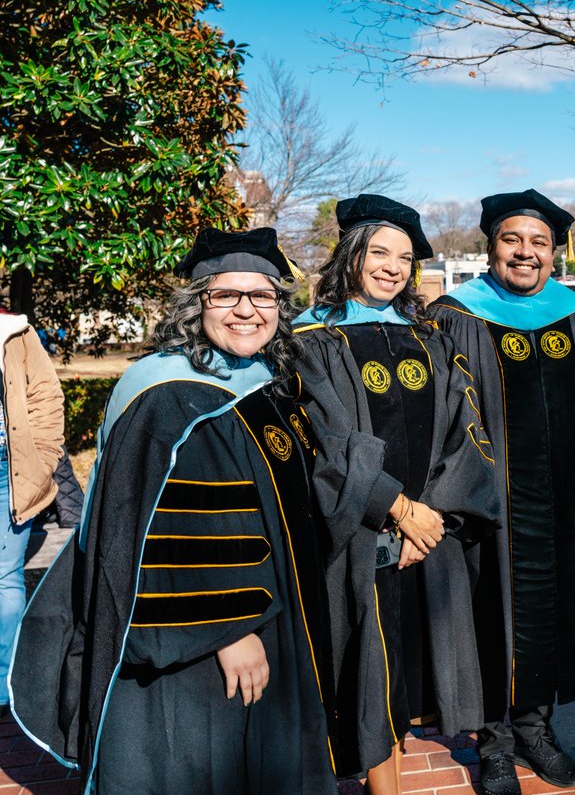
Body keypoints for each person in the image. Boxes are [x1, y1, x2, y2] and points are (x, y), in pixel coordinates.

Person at [11, 227, 340, 793]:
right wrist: (227, 629)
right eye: (226, 295)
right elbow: (155, 533)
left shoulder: (260, 380)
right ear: (196, 305)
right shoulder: (168, 396)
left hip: (271, 616)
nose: (246, 311)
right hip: (201, 647)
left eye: (262, 296)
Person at [293, 193, 502, 792]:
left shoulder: (427, 336)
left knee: (409, 675)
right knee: (372, 680)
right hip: (359, 538)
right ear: (350, 255)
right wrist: (396, 511)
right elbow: (324, 440)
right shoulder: (314, 341)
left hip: (426, 540)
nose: (392, 267)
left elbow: (466, 429)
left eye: (405, 258)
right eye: (378, 252)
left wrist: (431, 518)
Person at [429, 189, 575, 795]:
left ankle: (536, 729)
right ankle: (493, 743)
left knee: (548, 615)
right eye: (512, 240)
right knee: (487, 616)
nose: (526, 253)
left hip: (556, 504)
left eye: (539, 243)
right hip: (485, 507)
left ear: (555, 253)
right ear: (490, 247)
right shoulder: (457, 316)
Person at [0, 310, 65, 714]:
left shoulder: (14, 331)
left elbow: (45, 394)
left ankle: (4, 682)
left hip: (8, 468)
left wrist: (43, 458)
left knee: (5, 579)